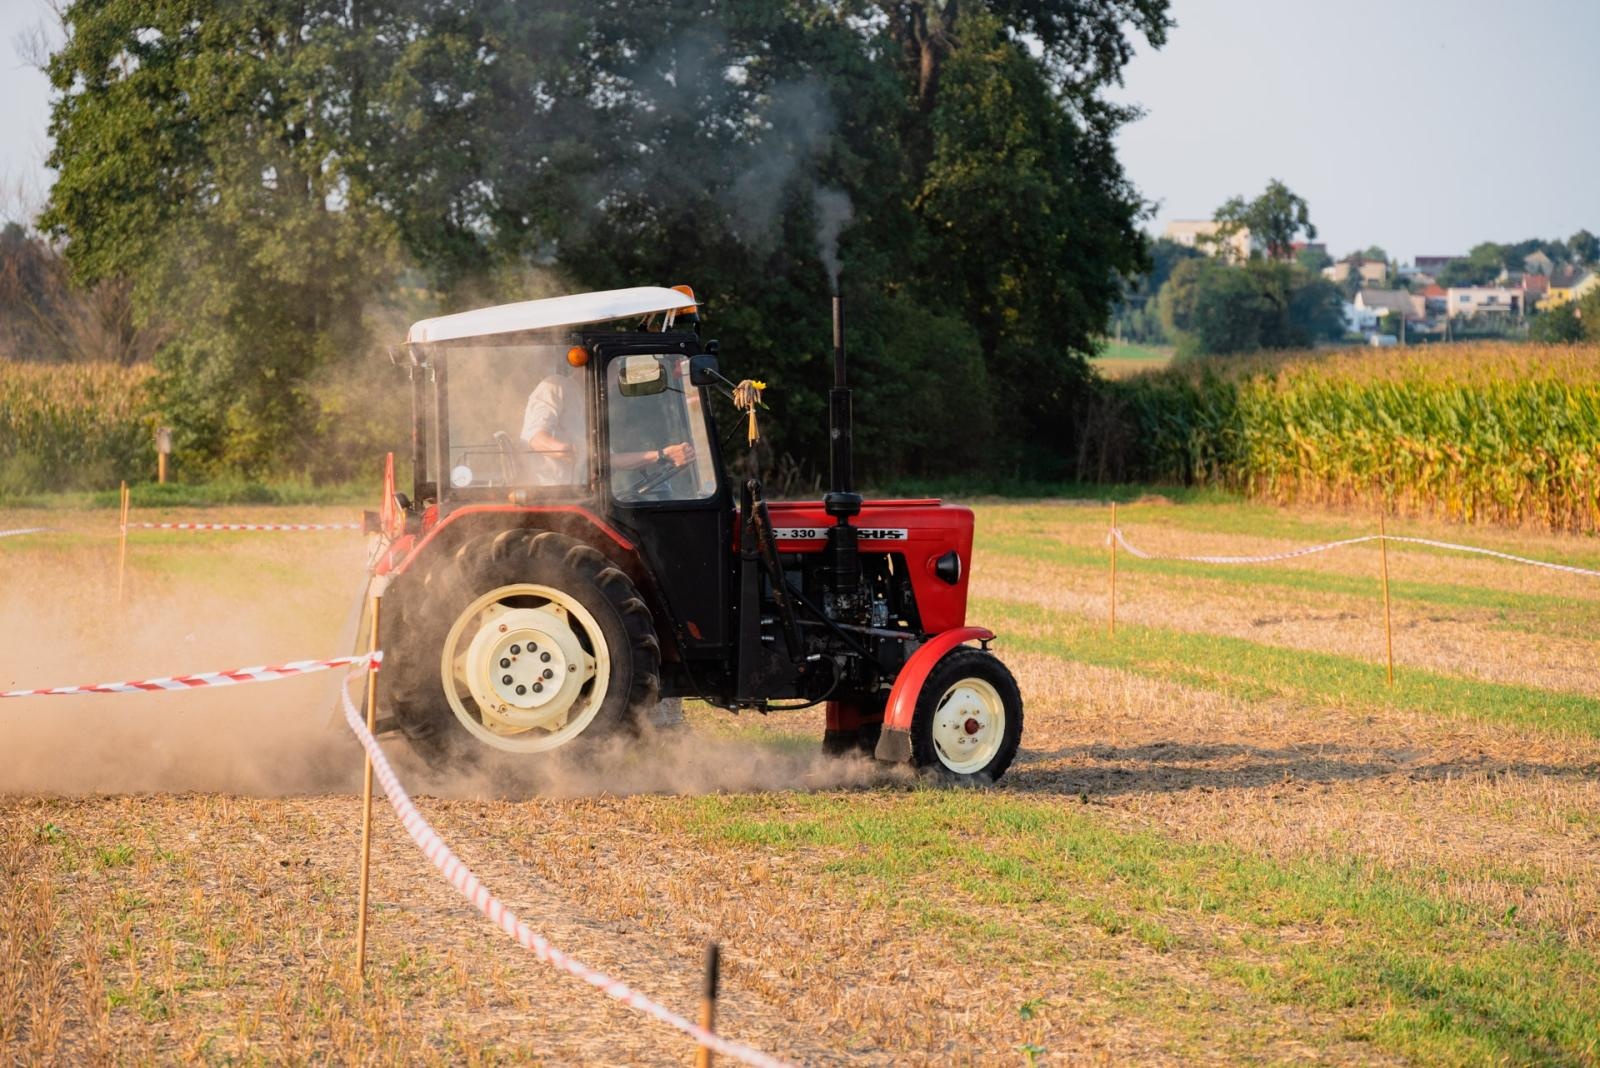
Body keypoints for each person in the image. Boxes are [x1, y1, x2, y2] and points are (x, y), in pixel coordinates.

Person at [521, 365, 694, 487]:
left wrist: (662, 455)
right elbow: (534, 436)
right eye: (613, 370)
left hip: (577, 491)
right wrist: (562, 449)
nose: (613, 384)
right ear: (593, 368)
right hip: (551, 491)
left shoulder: (590, 406)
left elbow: (610, 460)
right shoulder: (557, 385)